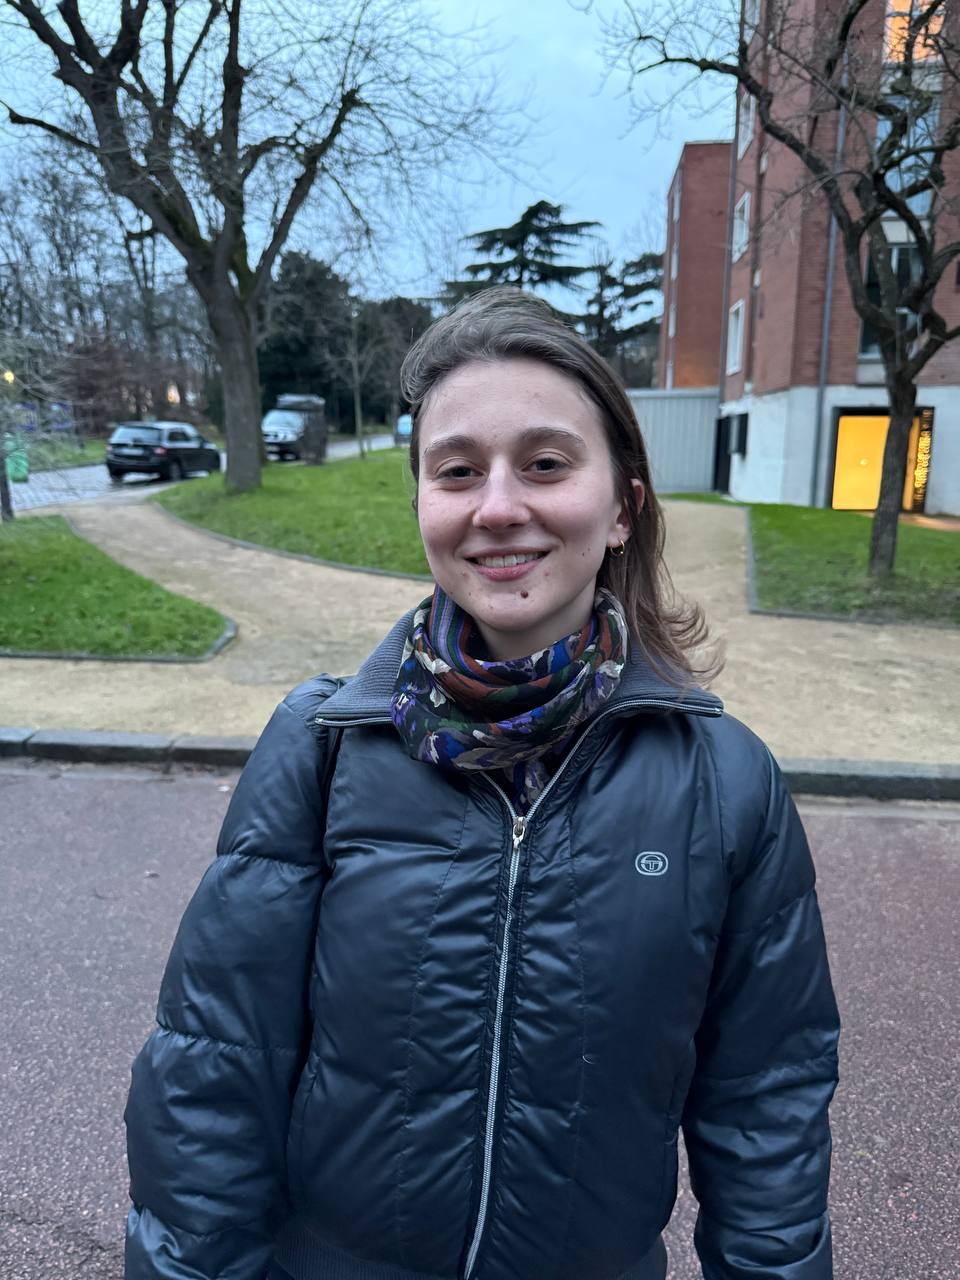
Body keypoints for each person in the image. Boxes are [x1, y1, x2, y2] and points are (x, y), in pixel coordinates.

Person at [124, 288, 840, 1280]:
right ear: (423, 503)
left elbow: (766, 1097)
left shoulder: (726, 782)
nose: (498, 506)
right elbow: (216, 1063)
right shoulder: (322, 747)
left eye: (545, 464)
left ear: (623, 507)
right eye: (457, 471)